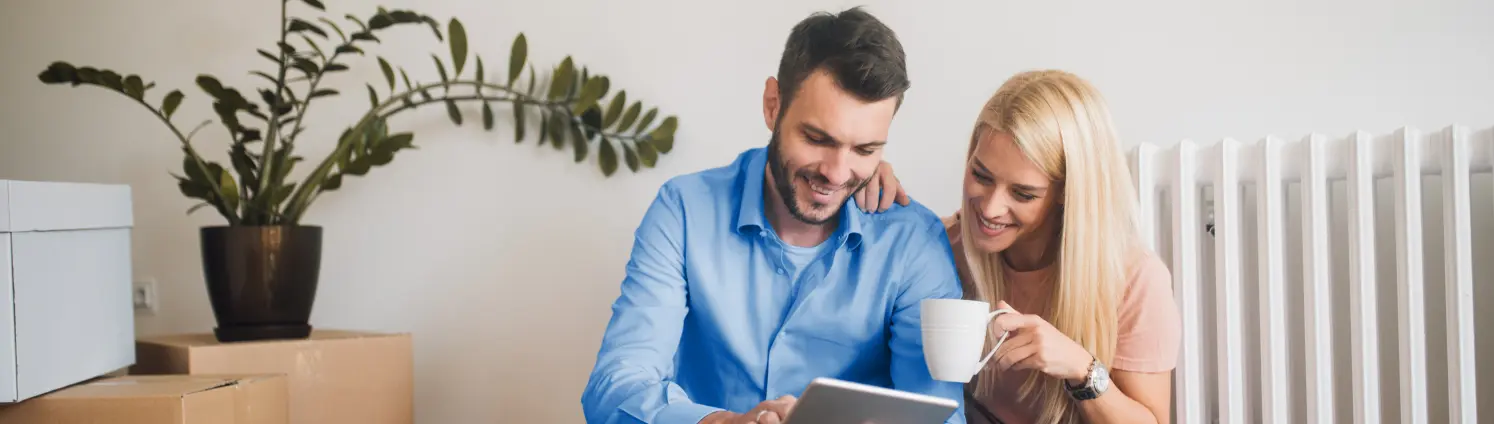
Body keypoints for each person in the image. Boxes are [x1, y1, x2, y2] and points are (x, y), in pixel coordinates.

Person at [580, 7, 967, 424]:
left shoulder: (913, 242)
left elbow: (939, 416)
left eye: (865, 150)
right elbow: (615, 386)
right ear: (772, 105)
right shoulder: (685, 211)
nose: (836, 174)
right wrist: (727, 423)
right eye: (817, 139)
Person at [855, 70, 1181, 424]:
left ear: (1066, 196)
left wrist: (1080, 368)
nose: (991, 208)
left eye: (1023, 194)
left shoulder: (1134, 280)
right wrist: (862, 171)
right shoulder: (941, 248)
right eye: (981, 175)